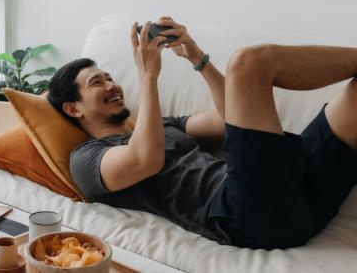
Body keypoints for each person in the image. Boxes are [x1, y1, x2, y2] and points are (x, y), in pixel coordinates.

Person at [47, 16, 357, 249]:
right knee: (250, 63)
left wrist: (197, 57)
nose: (112, 85)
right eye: (96, 83)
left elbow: (228, 118)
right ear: (74, 109)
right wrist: (148, 76)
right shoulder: (85, 158)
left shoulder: (165, 125)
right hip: (246, 215)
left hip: (296, 195)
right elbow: (146, 159)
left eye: (109, 77)